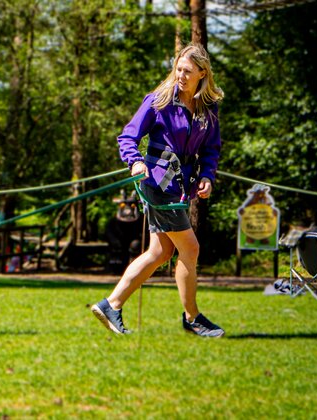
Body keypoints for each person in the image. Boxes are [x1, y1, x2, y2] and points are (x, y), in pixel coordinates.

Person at [91, 43, 225, 338]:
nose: (181, 75)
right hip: (158, 183)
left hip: (182, 187)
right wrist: (135, 161)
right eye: (178, 69)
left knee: (161, 251)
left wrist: (208, 176)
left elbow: (212, 148)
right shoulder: (159, 101)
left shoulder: (208, 109)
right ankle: (193, 317)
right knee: (190, 248)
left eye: (188, 71)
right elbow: (128, 136)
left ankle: (111, 304)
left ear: (202, 73)